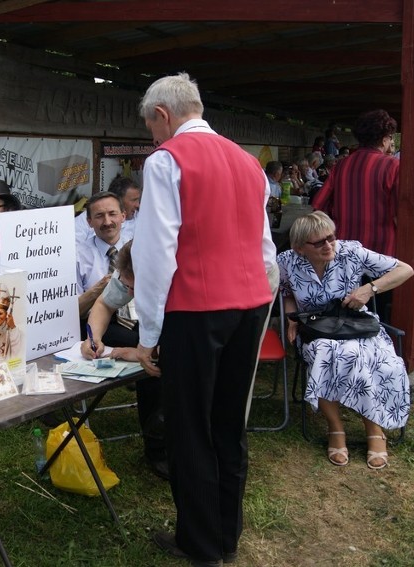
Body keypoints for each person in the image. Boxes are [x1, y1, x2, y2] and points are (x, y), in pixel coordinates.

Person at [132, 72, 276, 567]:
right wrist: (262, 296)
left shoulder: (166, 160)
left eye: (151, 125)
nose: (152, 136)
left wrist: (150, 332)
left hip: (196, 307)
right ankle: (226, 534)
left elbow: (155, 253)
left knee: (189, 427)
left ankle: (200, 542)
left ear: (164, 115)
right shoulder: (249, 163)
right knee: (229, 423)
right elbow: (264, 246)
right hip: (250, 302)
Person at [278, 212, 414, 469]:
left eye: (331, 237)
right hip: (315, 329)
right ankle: (336, 428)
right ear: (300, 248)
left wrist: (370, 288)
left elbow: (405, 270)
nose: (329, 245)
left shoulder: (351, 252)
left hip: (356, 325)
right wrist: (292, 318)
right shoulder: (287, 260)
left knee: (375, 358)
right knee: (326, 352)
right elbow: (285, 291)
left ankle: (373, 427)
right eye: (319, 243)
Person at [80, 241, 167, 479]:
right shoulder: (130, 269)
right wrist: (94, 337)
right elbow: (105, 304)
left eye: (136, 289)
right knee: (148, 369)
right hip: (156, 332)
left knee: (155, 367)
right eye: (127, 286)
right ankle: (156, 448)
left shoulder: (177, 280)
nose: (130, 295)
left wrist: (142, 352)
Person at [311, 109, 400, 322]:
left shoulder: (342, 164)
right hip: (381, 250)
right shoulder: (392, 165)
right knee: (379, 305)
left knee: (347, 306)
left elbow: (318, 207)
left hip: (344, 250)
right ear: (386, 138)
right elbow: (399, 214)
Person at [75, 191, 127, 318]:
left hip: (137, 323)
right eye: (99, 216)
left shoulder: (138, 250)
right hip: (92, 324)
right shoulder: (77, 257)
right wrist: (99, 288)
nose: (107, 222)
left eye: (112, 214)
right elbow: (72, 313)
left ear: (123, 216)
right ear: (89, 222)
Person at [74, 176, 141, 243]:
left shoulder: (140, 219)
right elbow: (73, 245)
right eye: (133, 200)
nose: (138, 205)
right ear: (118, 199)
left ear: (123, 216)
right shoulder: (88, 217)